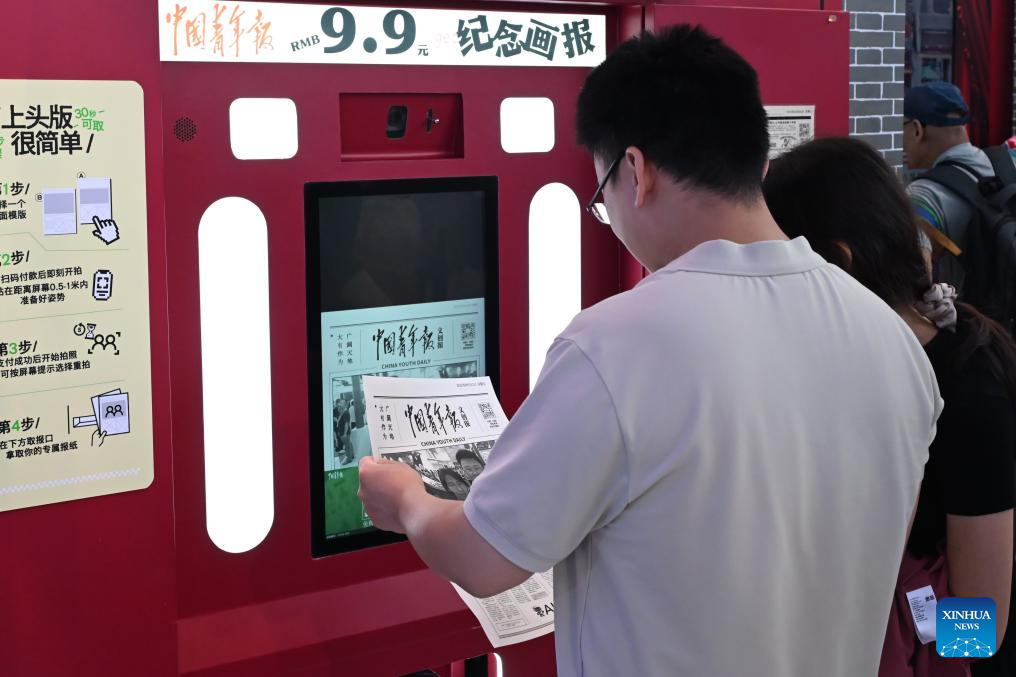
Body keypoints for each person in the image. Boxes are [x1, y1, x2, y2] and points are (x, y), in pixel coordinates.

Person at [359, 26, 940, 676]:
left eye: (600, 198)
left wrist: (405, 498)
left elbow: (482, 559)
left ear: (635, 173)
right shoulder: (895, 343)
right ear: (759, 164)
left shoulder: (613, 347)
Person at [763, 136, 1015, 677]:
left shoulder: (967, 386)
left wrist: (881, 637)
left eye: (779, 261)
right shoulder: (836, 362)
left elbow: (983, 627)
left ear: (838, 260)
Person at [903, 82, 1016, 305]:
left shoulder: (923, 195)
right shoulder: (1009, 163)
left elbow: (914, 273)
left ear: (917, 129)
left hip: (971, 320)